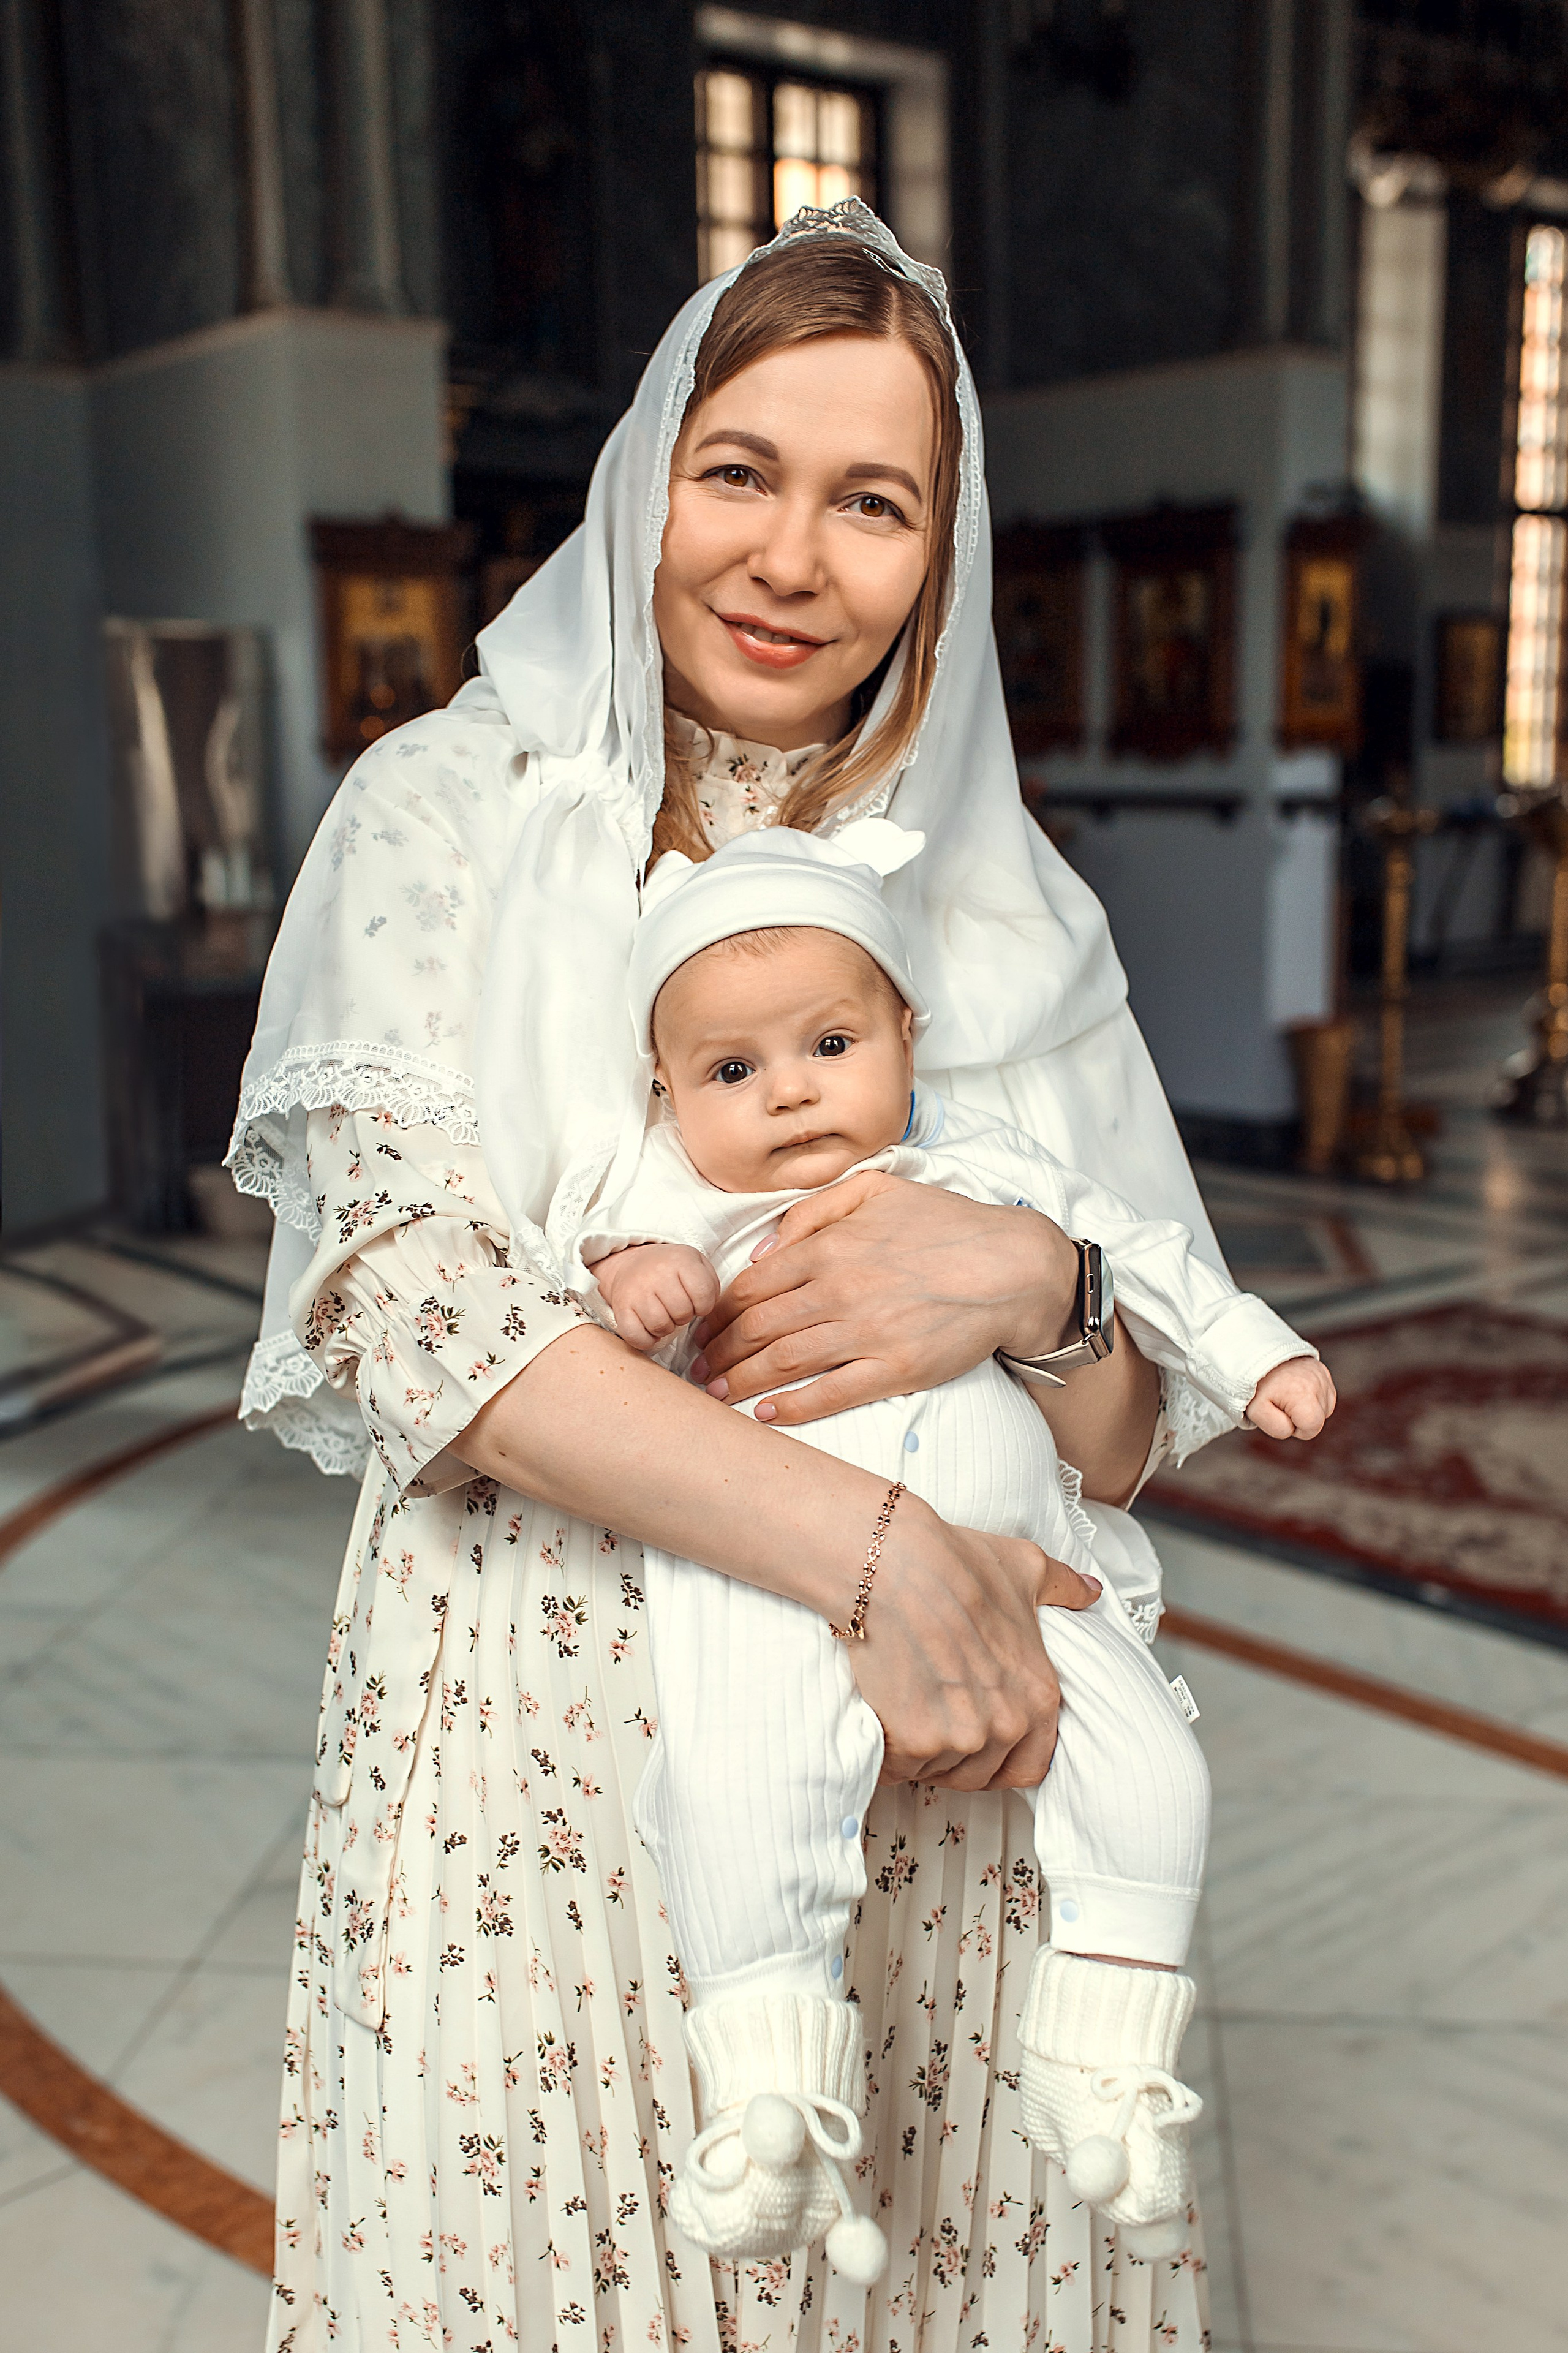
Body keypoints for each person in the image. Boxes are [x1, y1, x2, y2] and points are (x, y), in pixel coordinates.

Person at [230, 202, 1333, 2353]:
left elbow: (1122, 1441)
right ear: (651, 473)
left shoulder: (999, 900)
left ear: (948, 552)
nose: (791, 558)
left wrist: (1037, 1279)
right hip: (545, 1776)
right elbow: (414, 1313)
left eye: (875, 502)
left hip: (950, 1794)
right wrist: (878, 1549)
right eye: (741, 471)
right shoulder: (458, 815)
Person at [576, 821, 1330, 2278]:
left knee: (1156, 1773)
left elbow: (1143, 1256)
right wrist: (636, 1272)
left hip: (1019, 1575)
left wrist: (1251, 1354)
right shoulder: (679, 1192)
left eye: (831, 1042)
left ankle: (1100, 2051)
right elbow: (588, 1281)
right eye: (731, 1071)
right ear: (666, 1092)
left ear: (906, 1034)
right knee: (738, 1789)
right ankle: (764, 2104)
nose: (787, 1090)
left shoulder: (986, 1167)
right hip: (772, 1577)